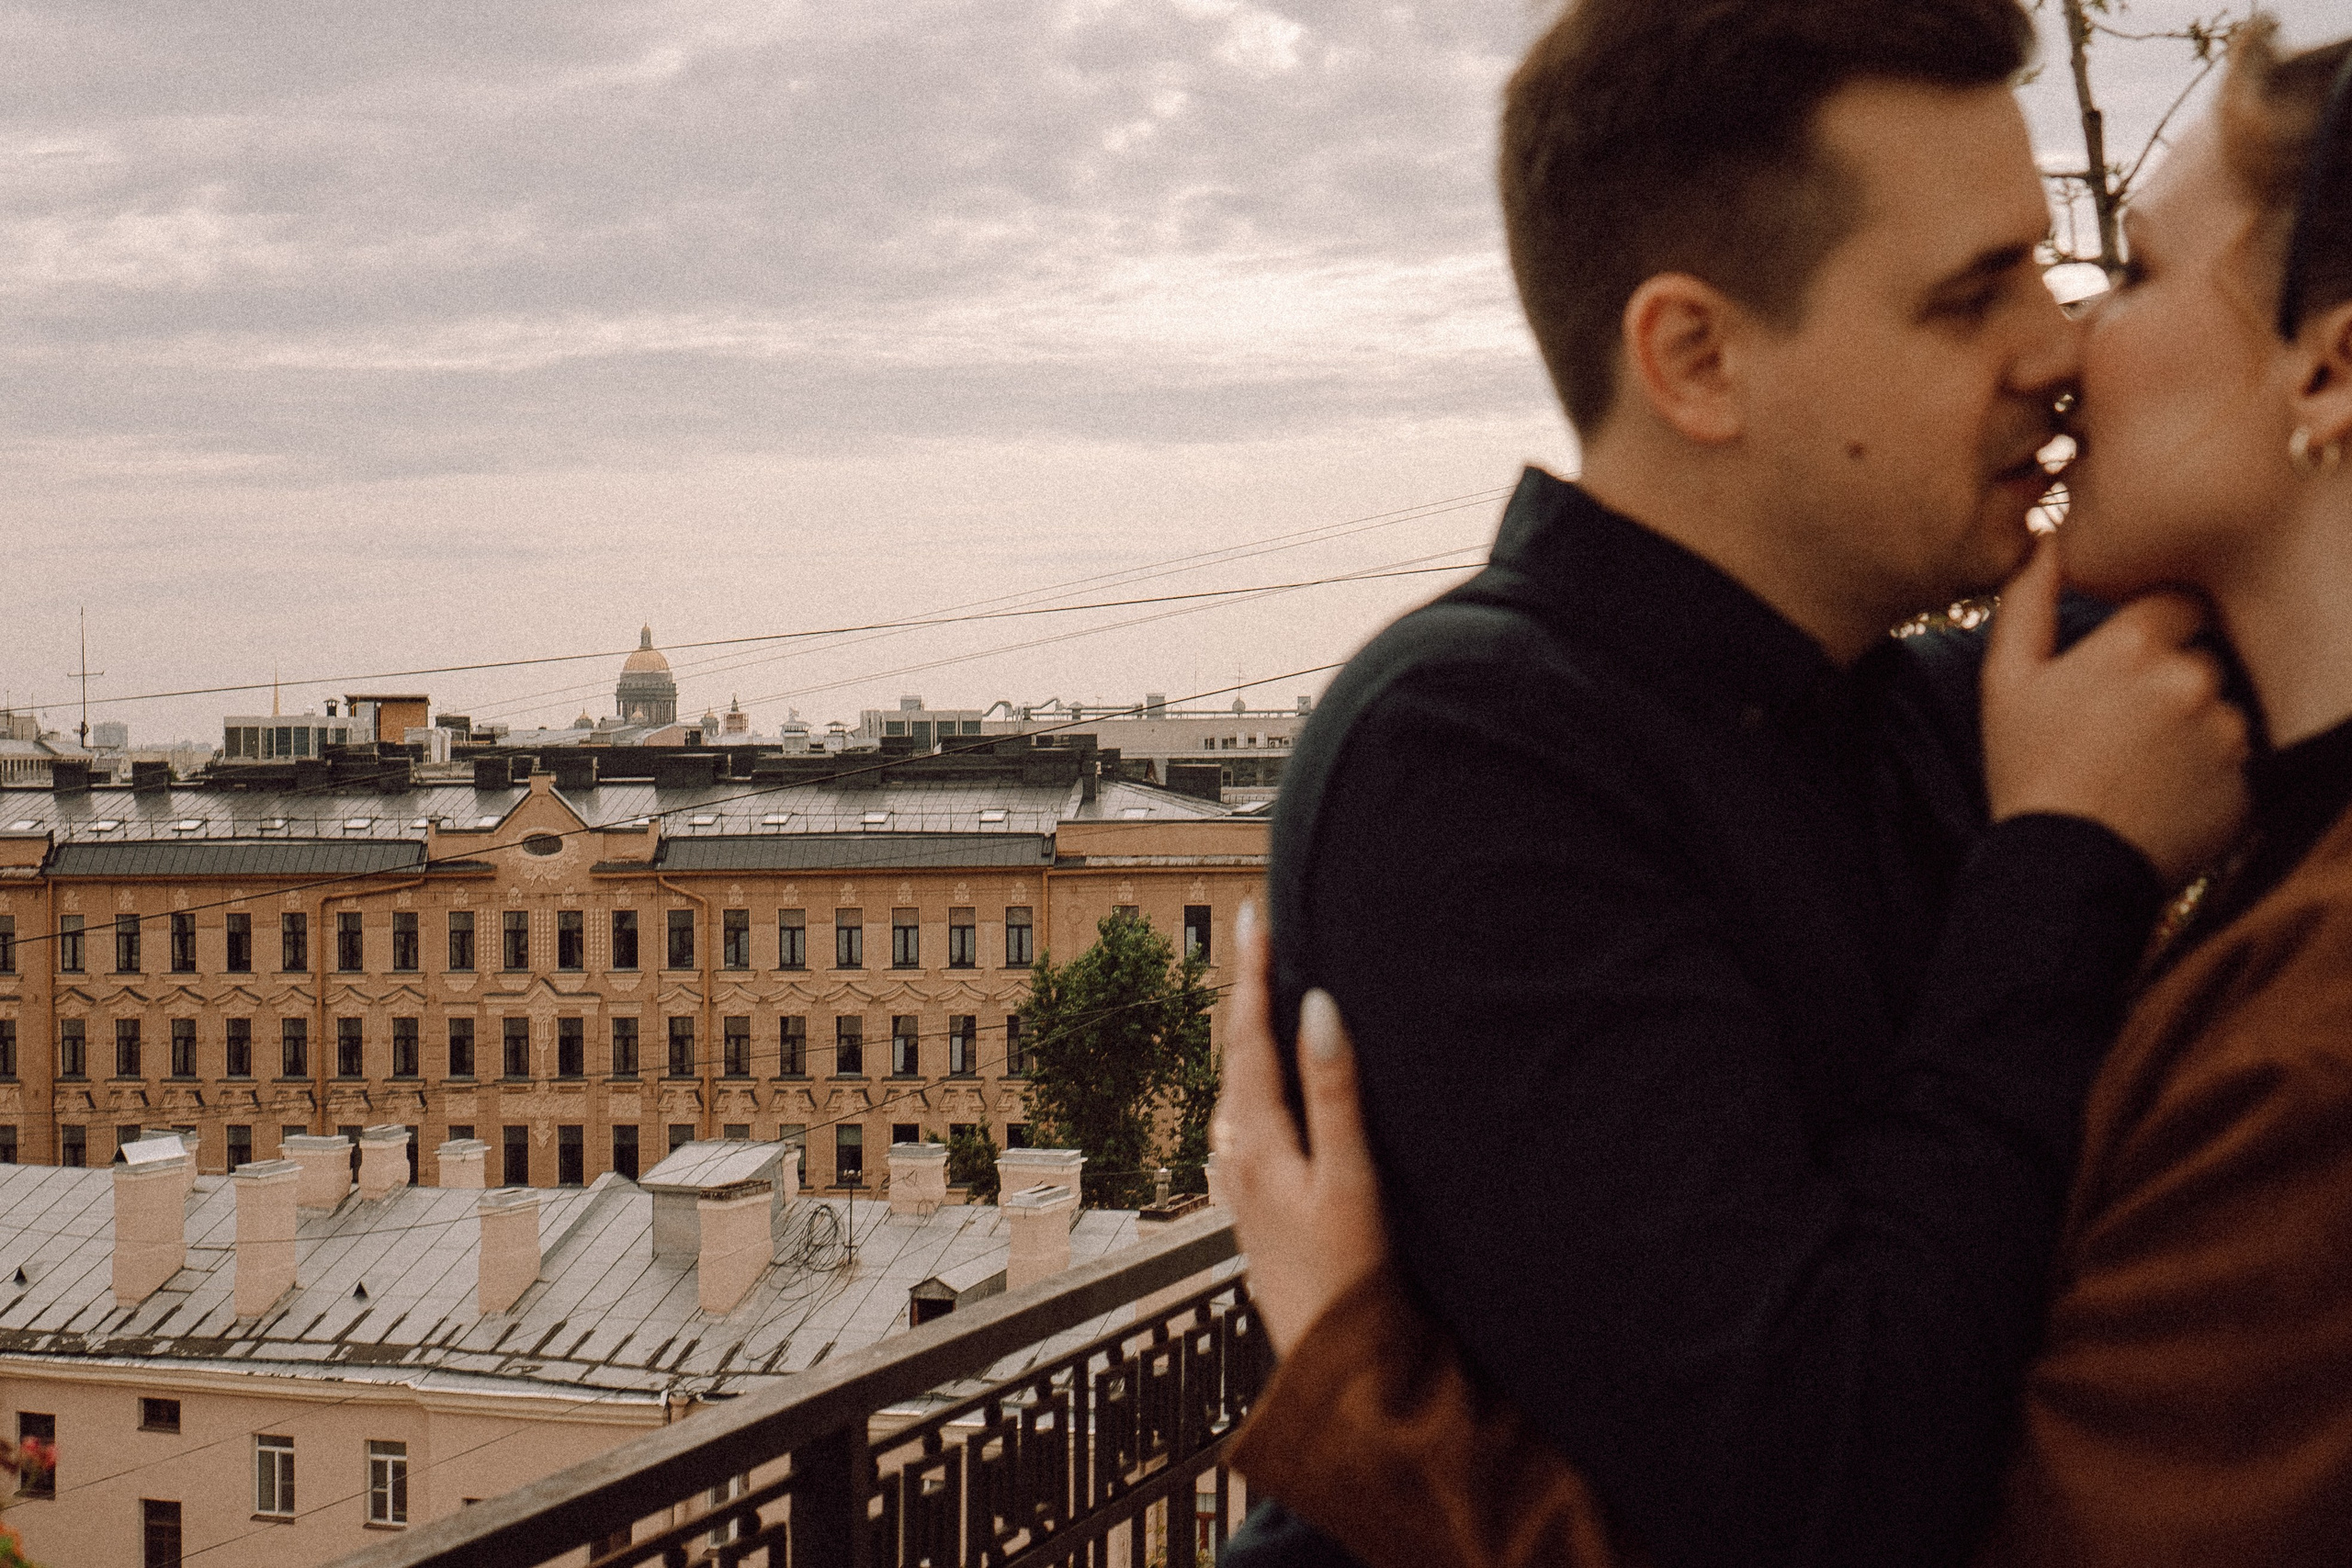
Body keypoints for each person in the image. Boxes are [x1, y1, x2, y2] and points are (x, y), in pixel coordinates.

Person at [1215, 23, 2352, 1568]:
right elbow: (1826, 1485)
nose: (2057, 349)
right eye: (1973, 295)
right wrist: (2061, 871)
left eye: (2061, 268)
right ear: (1697, 358)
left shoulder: (1950, 711)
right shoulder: (1471, 755)